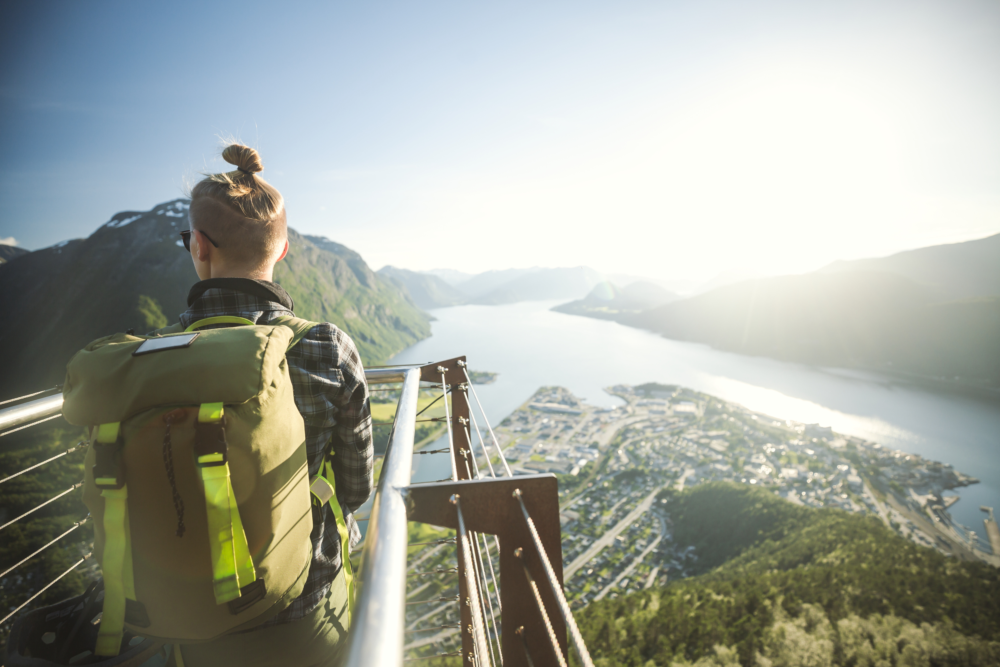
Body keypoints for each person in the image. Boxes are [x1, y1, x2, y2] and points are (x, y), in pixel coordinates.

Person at [168, 143, 373, 666]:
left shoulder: (156, 355)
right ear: (282, 251)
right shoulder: (326, 347)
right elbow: (355, 487)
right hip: (304, 606)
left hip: (187, 618)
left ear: (198, 246)